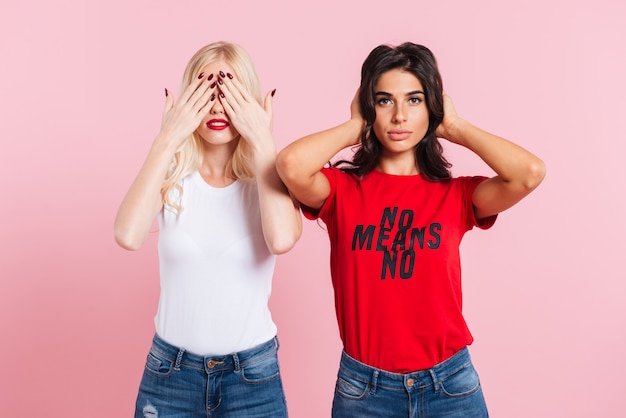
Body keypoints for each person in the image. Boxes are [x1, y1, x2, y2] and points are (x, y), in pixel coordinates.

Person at [276, 42, 545, 417]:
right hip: (364, 389)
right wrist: (355, 125)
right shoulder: (341, 190)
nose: (400, 115)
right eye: (384, 100)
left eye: (414, 100)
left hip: (450, 385)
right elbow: (290, 165)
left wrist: (455, 127)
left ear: (431, 107)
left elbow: (529, 173)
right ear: (370, 107)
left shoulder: (456, 195)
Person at [114, 41, 301, 418]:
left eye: (229, 92)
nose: (217, 106)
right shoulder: (171, 178)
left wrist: (263, 138)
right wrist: (167, 138)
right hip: (170, 375)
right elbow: (127, 235)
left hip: (252, 379)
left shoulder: (268, 179)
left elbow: (281, 240)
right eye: (205, 92)